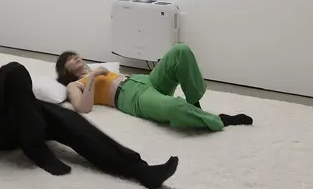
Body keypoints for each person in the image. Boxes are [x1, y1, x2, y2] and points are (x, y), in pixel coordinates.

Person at [0, 61, 179, 189]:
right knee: (13, 69)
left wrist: (0, 82)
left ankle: (141, 171)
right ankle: (36, 148)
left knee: (75, 124)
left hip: (26, 112)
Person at [55, 43, 252, 131]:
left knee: (180, 50)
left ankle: (194, 105)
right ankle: (218, 120)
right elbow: (83, 108)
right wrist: (92, 76)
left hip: (145, 80)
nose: (76, 57)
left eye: (75, 55)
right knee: (174, 106)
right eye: (70, 59)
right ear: (65, 70)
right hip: (131, 98)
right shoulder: (74, 84)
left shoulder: (98, 68)